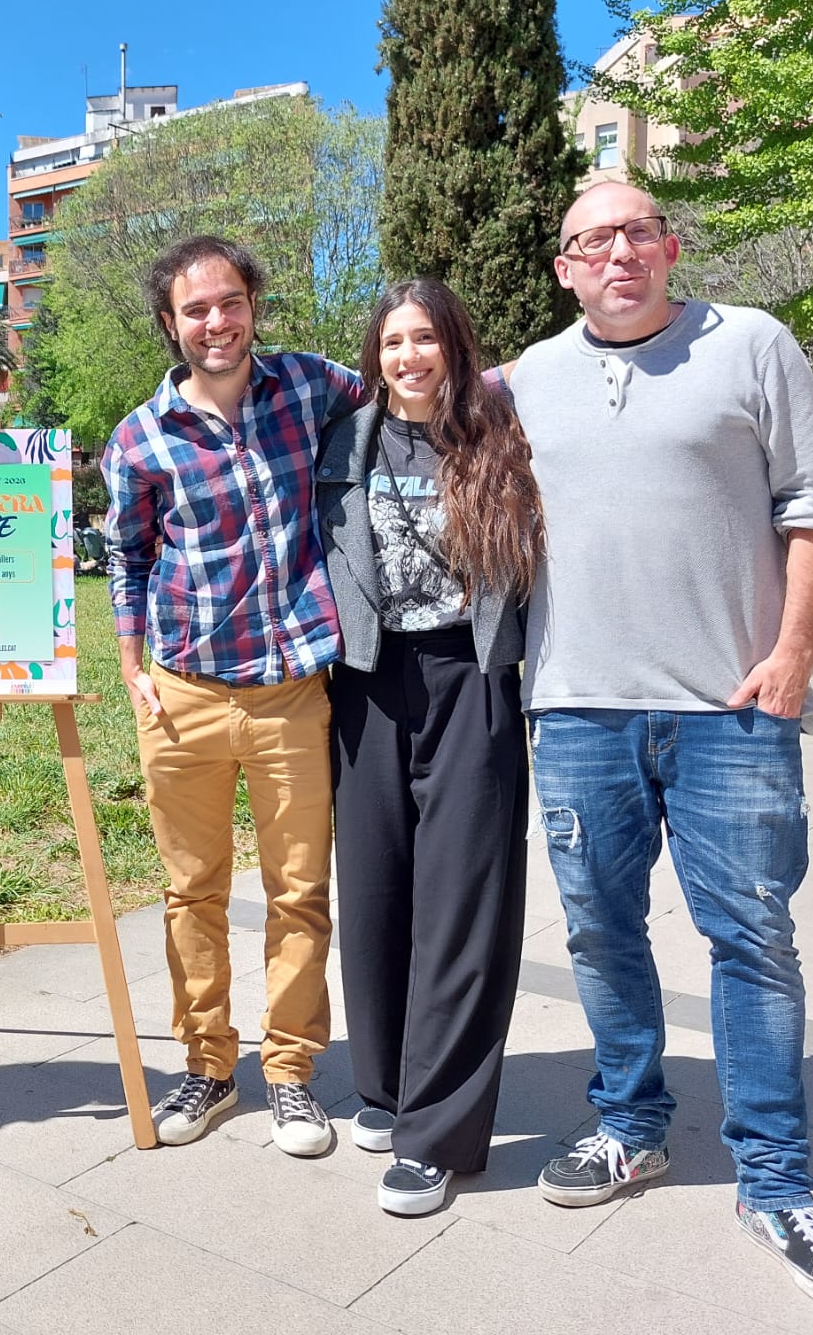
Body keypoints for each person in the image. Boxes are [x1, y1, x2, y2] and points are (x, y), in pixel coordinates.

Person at [514, 182, 813, 1319]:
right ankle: (631, 1128)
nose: (617, 253)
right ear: (564, 267)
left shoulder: (751, 345)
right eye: (591, 240)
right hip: (578, 709)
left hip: (733, 711)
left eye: (637, 231)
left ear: (669, 246)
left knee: (752, 944)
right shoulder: (528, 377)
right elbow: (407, 388)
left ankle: (775, 1187)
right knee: (598, 932)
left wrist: (795, 654)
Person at [101, 235, 358, 1153]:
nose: (217, 322)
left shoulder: (311, 386)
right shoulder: (140, 439)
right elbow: (126, 556)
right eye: (196, 310)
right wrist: (131, 666)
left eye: (230, 302)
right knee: (192, 893)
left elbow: (415, 385)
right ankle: (208, 1069)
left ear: (253, 304)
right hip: (183, 696)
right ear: (169, 324)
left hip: (293, 692)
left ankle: (291, 1074)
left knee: (300, 893)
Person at [317, 279, 540, 1216]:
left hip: (470, 677)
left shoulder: (500, 438)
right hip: (368, 683)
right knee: (373, 892)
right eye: (391, 341)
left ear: (455, 345)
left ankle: (436, 1137)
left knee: (464, 904)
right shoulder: (345, 442)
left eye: (425, 338)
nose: (407, 356)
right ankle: (384, 1086)